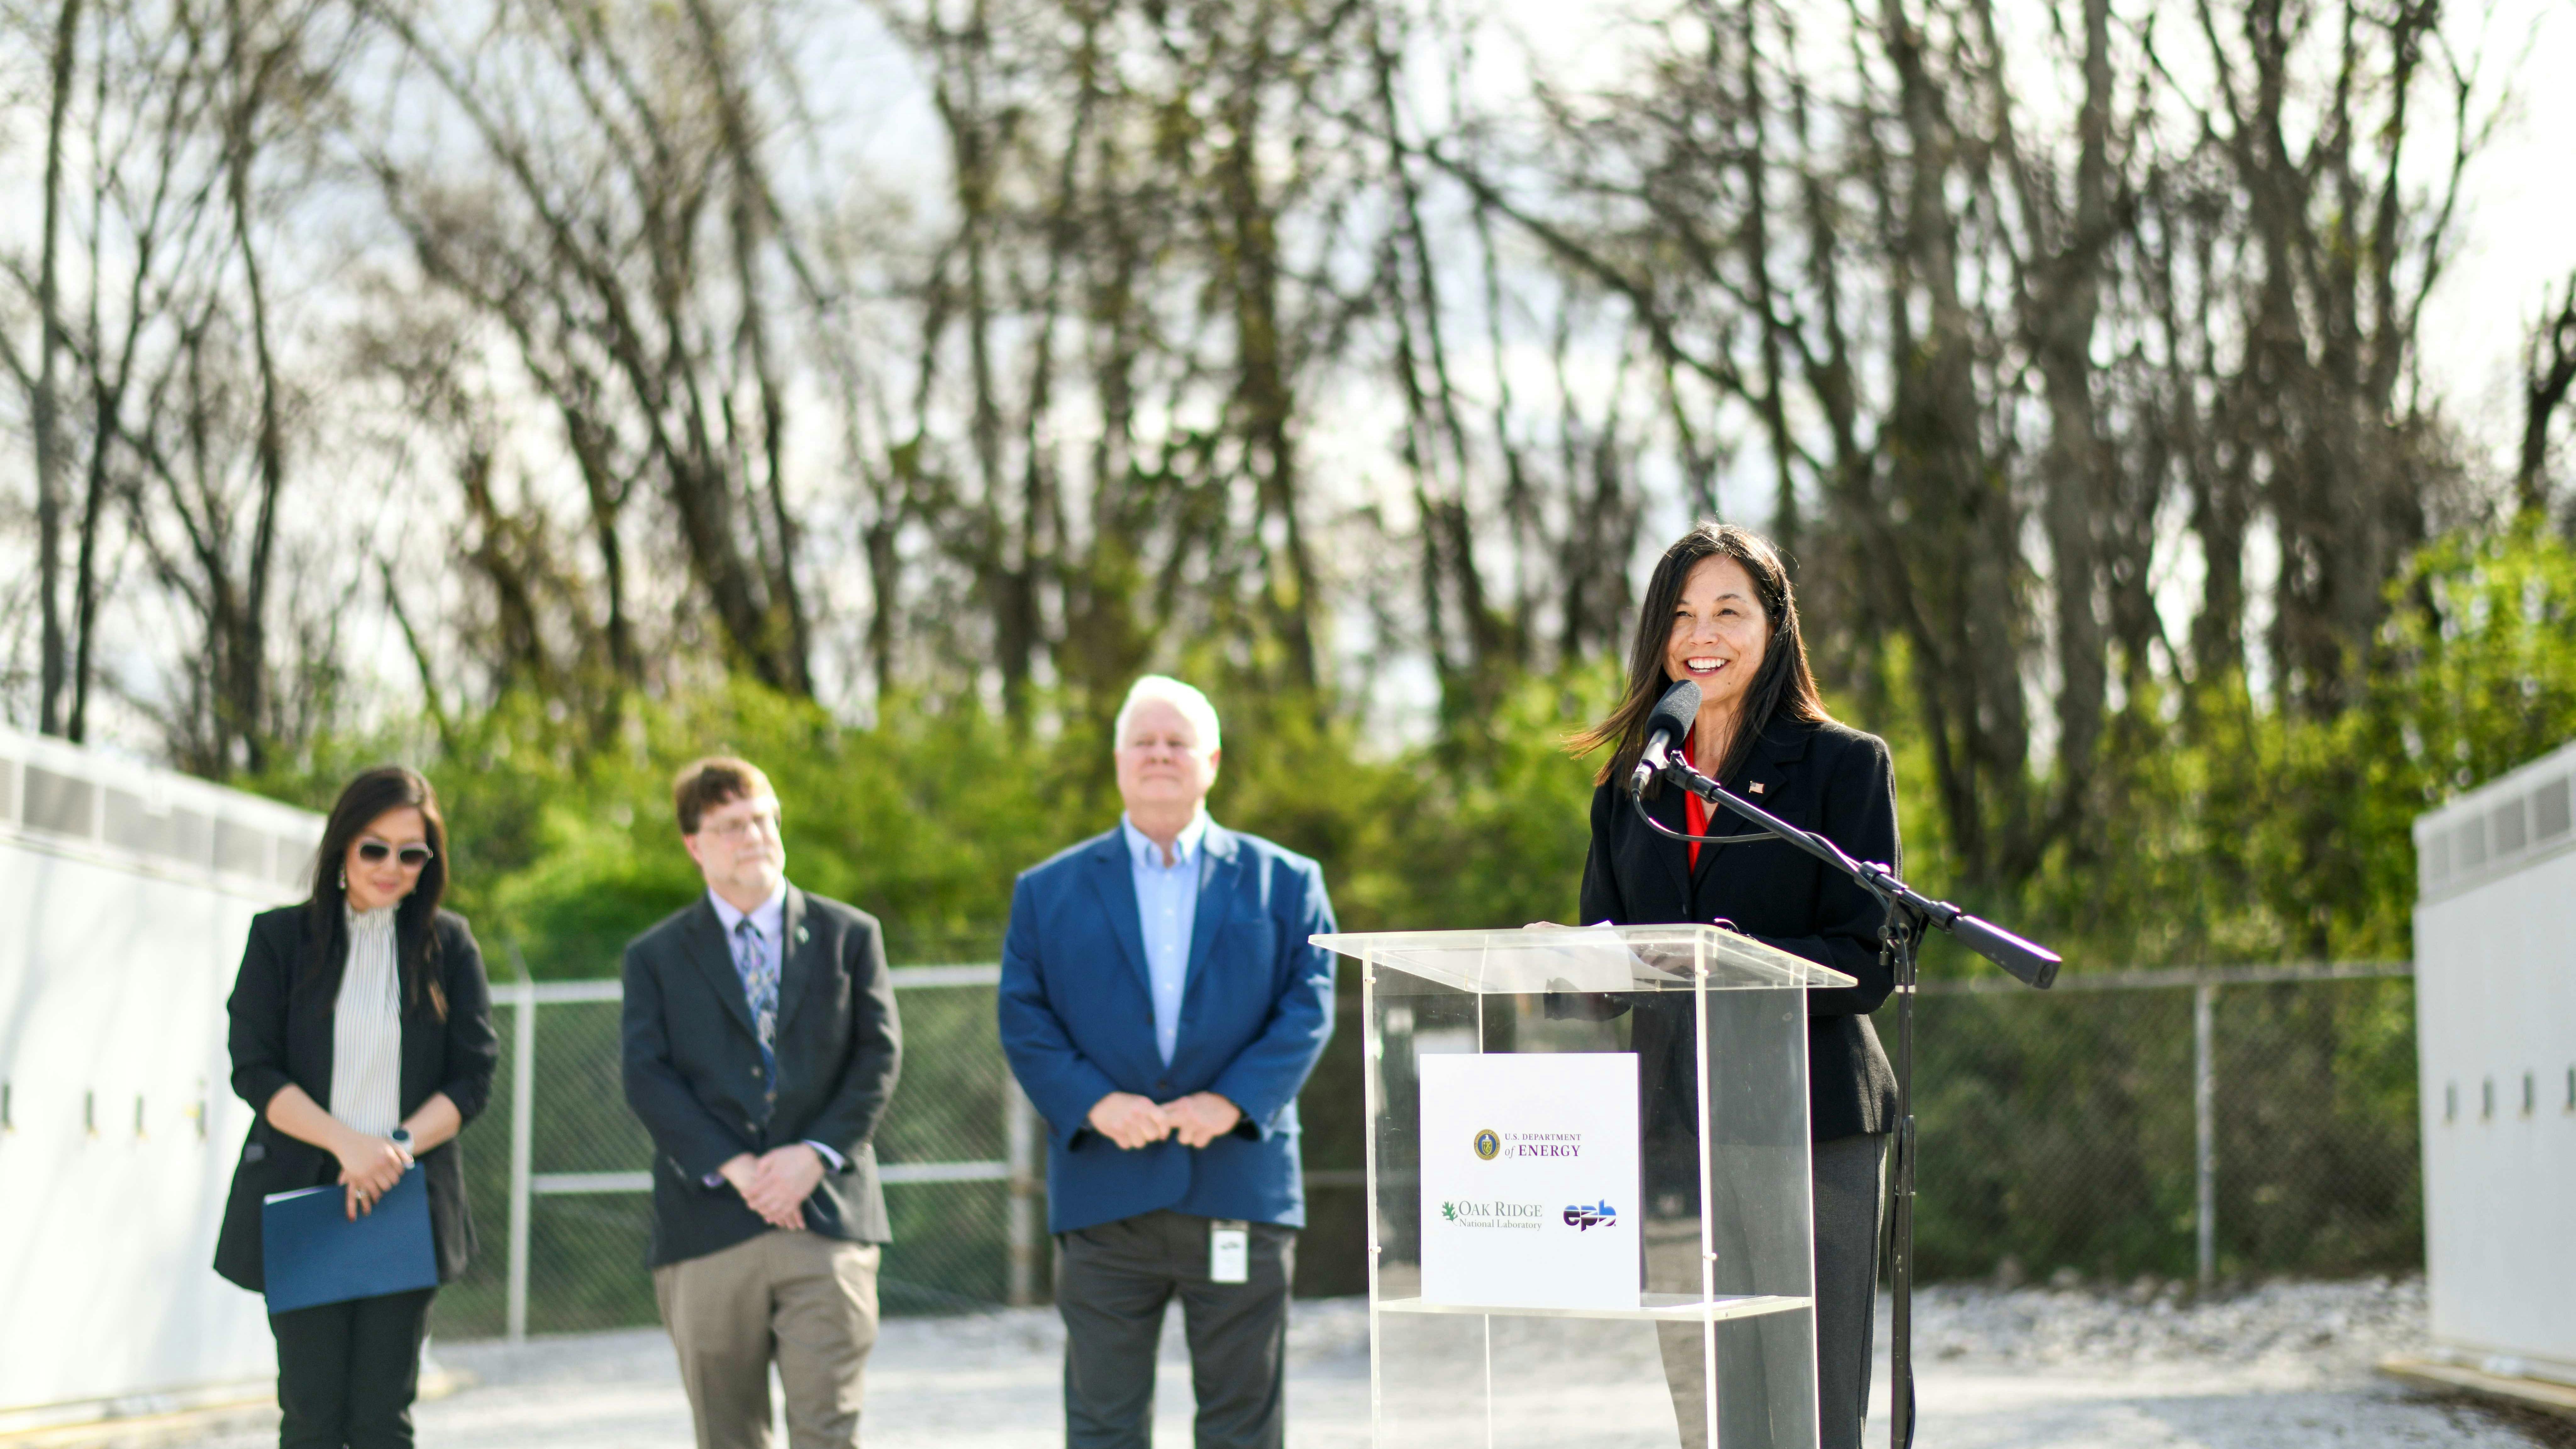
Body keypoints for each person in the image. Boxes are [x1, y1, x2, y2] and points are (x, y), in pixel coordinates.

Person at [1567, 521, 1898, 1449]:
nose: (1700, 635)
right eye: (1680, 615)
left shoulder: (1842, 766)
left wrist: (1731, 951)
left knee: (1813, 1405)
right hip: (1676, 1133)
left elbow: (1867, 957)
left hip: (1811, 1123)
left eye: (1727, 610)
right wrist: (1574, 964)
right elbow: (1613, 955)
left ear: (1774, 625)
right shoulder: (1628, 788)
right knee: (1714, 1413)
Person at [998, 676, 1338, 1449]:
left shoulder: (1288, 884)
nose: (1159, 755)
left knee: (1243, 1424)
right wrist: (1093, 1104)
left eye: (1176, 742)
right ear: (1118, 761)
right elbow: (1024, 1016)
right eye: (1143, 742)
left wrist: (1231, 1101)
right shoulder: (1045, 893)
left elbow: (1308, 1004)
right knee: (1103, 1424)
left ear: (1211, 761)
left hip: (1238, 1185)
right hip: (1103, 1194)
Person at [214, 766, 499, 1449]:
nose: (391, 866)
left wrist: (392, 1150)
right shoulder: (279, 940)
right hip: (305, 1198)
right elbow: (253, 1067)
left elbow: (473, 1077)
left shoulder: (450, 946)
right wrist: (348, 1146)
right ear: (342, 846)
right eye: (375, 847)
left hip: (403, 1200)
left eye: (412, 851)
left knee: (382, 1419)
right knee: (311, 1416)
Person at [621, 757, 902, 1449]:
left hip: (826, 1220)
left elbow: (879, 1057)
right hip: (709, 1227)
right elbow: (647, 1076)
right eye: (730, 826)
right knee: (727, 1436)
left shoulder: (849, 935)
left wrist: (812, 1156)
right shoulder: (655, 956)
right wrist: (741, 1169)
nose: (754, 836)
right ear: (694, 844)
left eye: (762, 819)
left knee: (828, 1430)